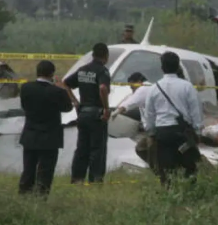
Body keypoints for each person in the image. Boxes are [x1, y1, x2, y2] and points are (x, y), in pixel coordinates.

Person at [144, 51, 203, 188]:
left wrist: (151, 134)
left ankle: (168, 196)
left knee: (165, 171)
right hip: (183, 133)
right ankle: (190, 194)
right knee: (189, 168)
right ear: (178, 67)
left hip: (163, 133)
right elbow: (196, 112)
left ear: (162, 68)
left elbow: (150, 115)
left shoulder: (153, 88)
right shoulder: (187, 87)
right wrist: (197, 132)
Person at [18, 60, 73, 198]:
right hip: (50, 137)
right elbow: (68, 107)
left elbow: (24, 106)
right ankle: (41, 198)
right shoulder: (57, 92)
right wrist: (64, 88)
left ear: (37, 72)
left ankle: (23, 195)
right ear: (52, 74)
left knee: (28, 169)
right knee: (45, 172)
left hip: (30, 134)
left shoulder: (26, 88)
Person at [63, 43, 111, 185]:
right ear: (106, 56)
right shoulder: (102, 71)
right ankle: (95, 181)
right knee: (97, 149)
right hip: (97, 115)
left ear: (93, 55)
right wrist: (106, 109)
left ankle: (77, 179)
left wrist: (75, 102)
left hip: (82, 114)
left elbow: (65, 84)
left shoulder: (82, 70)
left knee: (82, 149)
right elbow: (103, 88)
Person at [111, 73, 154, 170]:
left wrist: (116, 112)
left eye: (132, 87)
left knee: (142, 149)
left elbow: (130, 102)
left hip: (155, 129)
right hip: (158, 127)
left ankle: (156, 168)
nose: (132, 89)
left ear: (139, 82)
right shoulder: (151, 87)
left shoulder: (143, 89)